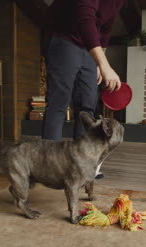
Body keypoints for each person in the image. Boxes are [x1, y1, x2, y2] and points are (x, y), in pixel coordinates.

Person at [42, 0, 126, 142]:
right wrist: (104, 65)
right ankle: (50, 161)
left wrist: (100, 63)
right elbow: (85, 19)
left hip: (87, 45)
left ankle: (83, 158)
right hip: (64, 35)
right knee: (59, 101)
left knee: (87, 104)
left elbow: (105, 28)